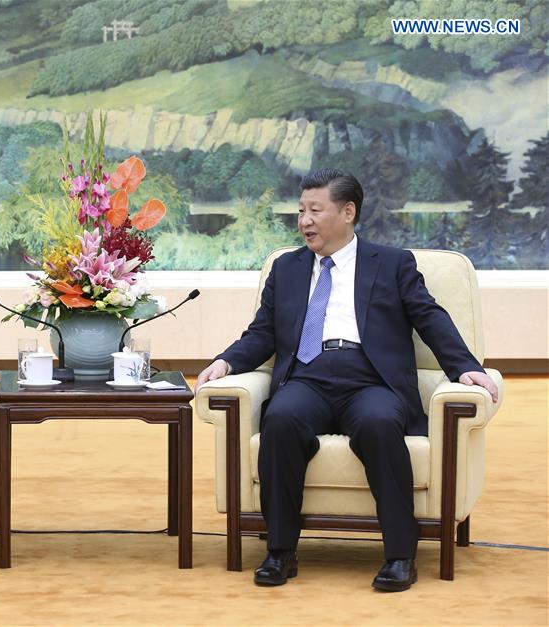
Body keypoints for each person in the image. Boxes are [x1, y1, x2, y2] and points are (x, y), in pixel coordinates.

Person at [197, 169, 498, 592]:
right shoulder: (287, 268)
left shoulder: (392, 263)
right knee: (280, 420)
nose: (304, 220)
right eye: (301, 210)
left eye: (315, 210)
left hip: (370, 379)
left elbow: (428, 316)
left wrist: (465, 366)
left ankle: (400, 555)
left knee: (378, 425)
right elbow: (263, 332)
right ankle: (280, 551)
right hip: (308, 376)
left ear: (348, 212)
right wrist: (226, 362)